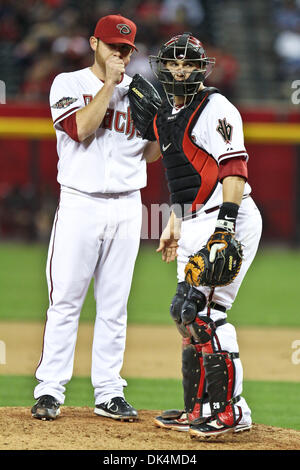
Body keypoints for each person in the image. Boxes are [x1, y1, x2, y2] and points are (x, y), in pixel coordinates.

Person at [31, 14, 160, 421]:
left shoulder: (142, 92)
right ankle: (50, 390)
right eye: (112, 47)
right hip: (80, 203)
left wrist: (160, 130)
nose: (119, 55)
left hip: (126, 205)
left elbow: (152, 155)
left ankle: (108, 391)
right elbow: (81, 129)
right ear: (94, 44)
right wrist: (110, 84)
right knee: (66, 301)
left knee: (114, 305)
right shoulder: (68, 84)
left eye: (125, 49)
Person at [149, 33, 262, 437]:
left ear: (201, 69)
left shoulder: (216, 107)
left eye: (189, 63)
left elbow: (234, 169)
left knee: (206, 314)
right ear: (162, 67)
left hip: (226, 217)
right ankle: (198, 407)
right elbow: (185, 178)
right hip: (194, 219)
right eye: (174, 62)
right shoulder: (168, 115)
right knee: (186, 314)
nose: (180, 69)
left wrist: (224, 228)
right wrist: (174, 222)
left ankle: (232, 411)